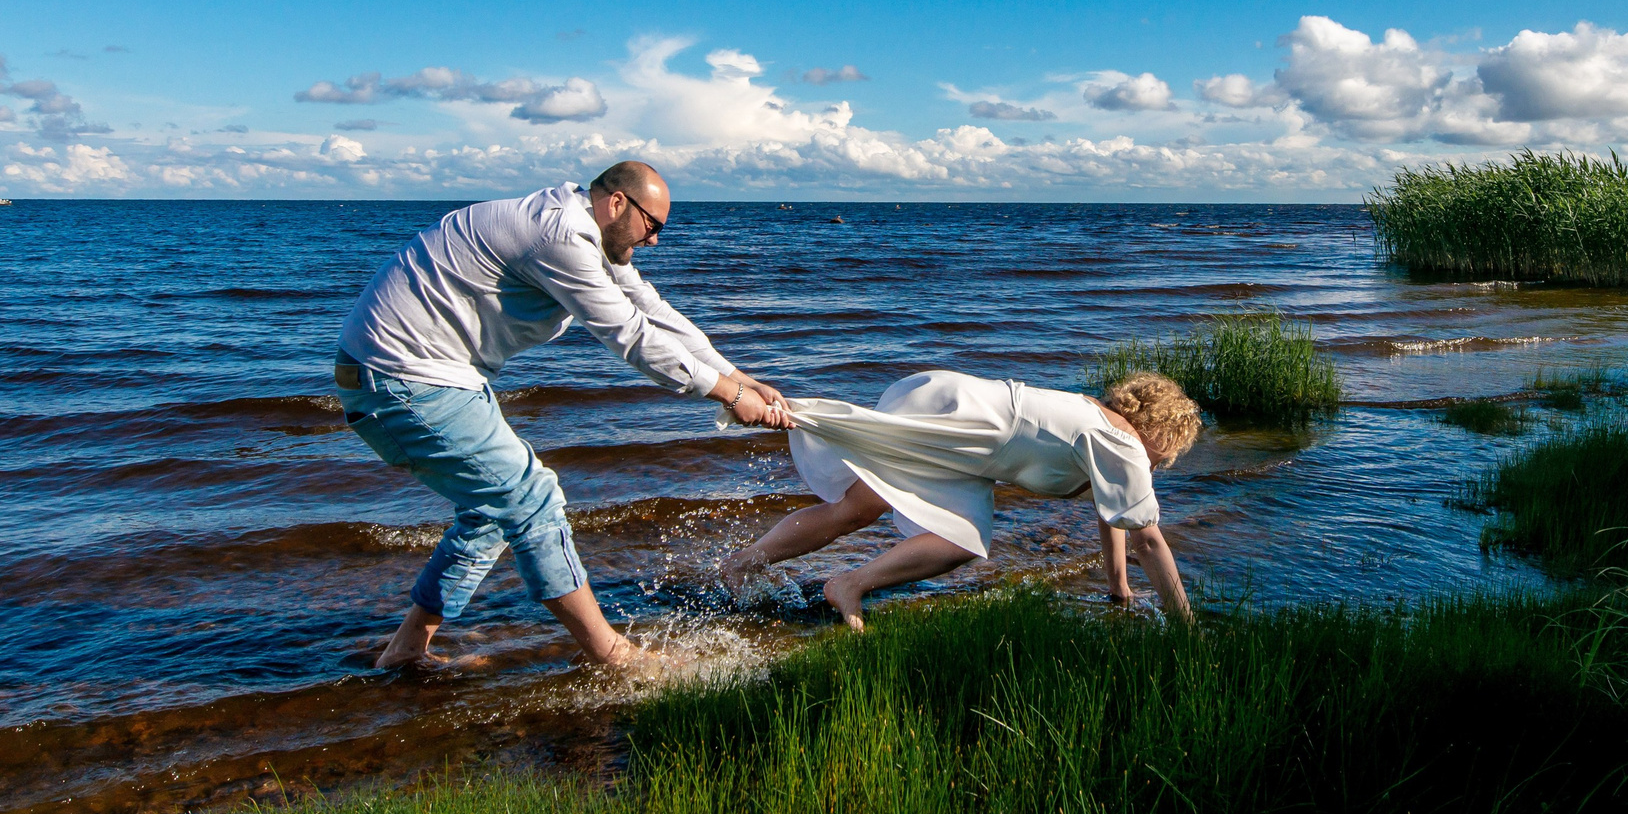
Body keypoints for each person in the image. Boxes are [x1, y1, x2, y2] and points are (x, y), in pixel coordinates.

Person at [334, 161, 790, 668]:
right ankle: (610, 654)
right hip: (403, 377)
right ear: (618, 203)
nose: (655, 241)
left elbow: (649, 309)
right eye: (653, 226)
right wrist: (727, 396)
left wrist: (740, 377)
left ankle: (404, 652)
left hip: (432, 376)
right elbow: (631, 337)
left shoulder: (586, 232)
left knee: (492, 510)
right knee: (530, 496)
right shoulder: (559, 236)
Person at [717, 369, 1200, 629]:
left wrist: (1119, 589)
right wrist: (1186, 625)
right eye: (1170, 449)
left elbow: (1114, 513)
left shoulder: (1097, 421)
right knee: (964, 538)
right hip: (970, 425)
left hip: (955, 409)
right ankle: (849, 584)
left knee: (858, 509)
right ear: (1161, 430)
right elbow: (1150, 542)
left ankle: (743, 563)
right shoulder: (1125, 445)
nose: (1165, 461)